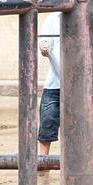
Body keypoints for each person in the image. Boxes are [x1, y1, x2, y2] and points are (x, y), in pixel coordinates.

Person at [38, 12, 62, 156]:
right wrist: (43, 47)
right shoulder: (53, 19)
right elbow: (44, 42)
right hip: (55, 83)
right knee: (46, 126)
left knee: (80, 127)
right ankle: (43, 164)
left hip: (79, 85)